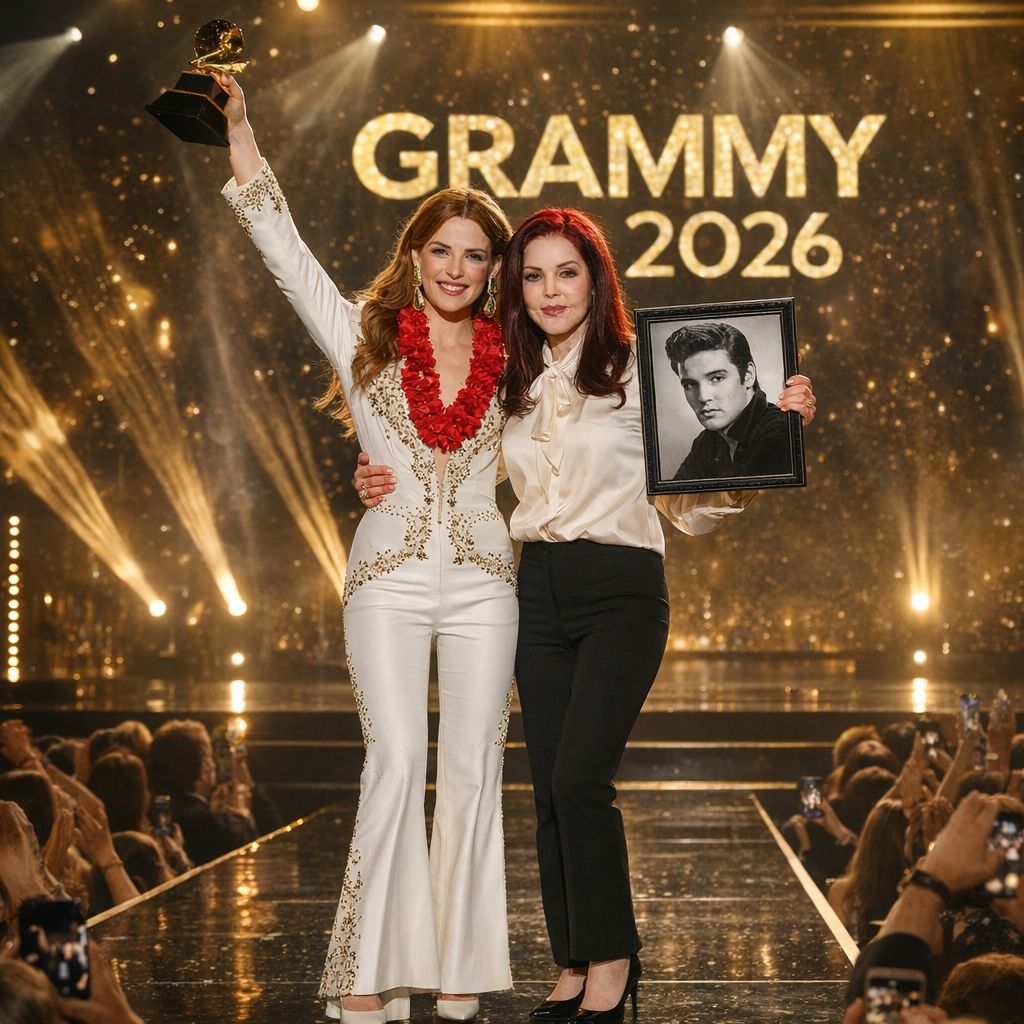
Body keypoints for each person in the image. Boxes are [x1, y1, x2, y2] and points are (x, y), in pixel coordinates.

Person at [358, 207, 816, 1022]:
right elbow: (451, 458)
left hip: (623, 588)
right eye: (531, 275)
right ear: (514, 287)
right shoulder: (511, 376)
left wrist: (770, 446)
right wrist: (380, 473)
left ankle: (613, 958)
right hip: (535, 588)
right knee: (547, 788)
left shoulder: (641, 370)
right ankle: (572, 960)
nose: (549, 289)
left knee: (581, 778)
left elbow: (689, 511)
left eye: (566, 272)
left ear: (595, 279)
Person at [212, 72, 517, 1024]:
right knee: (394, 762)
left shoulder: (525, 358)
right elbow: (283, 251)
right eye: (442, 250)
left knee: (473, 768)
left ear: (493, 265)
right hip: (385, 577)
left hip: (485, 582)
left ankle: (460, 972)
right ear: (415, 255)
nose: (458, 268)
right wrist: (239, 132)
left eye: (475, 254)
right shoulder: (366, 340)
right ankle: (368, 974)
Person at [664, 321, 794, 480]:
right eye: (690, 384)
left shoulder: (780, 433)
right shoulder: (707, 441)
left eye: (717, 378)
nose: (703, 397)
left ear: (748, 376)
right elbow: (675, 500)